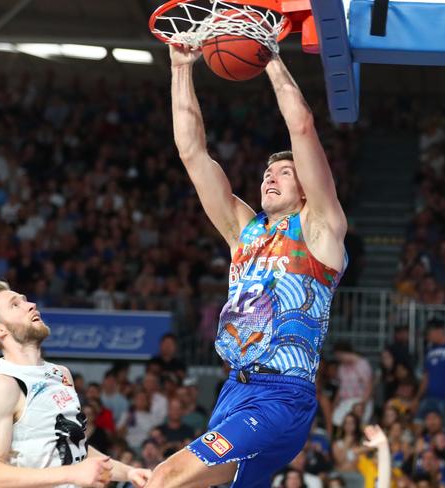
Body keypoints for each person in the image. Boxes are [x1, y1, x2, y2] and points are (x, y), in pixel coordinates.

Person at [147, 44, 348, 488]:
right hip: (233, 393)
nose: (269, 178)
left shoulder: (320, 228)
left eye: (284, 173)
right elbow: (192, 153)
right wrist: (181, 68)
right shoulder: (245, 230)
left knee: (166, 477)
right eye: (266, 174)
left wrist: (271, 59)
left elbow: (302, 125)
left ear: (306, 189)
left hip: (280, 396)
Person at [0, 281, 150, 488]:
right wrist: (71, 474)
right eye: (15, 305)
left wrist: (129, 472)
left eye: (25, 300)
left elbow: (73, 446)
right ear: (0, 330)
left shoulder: (60, 374)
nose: (31, 305)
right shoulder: (2, 386)